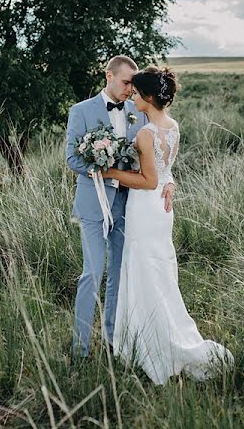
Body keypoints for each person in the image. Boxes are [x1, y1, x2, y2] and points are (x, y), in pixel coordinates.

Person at [101, 66, 234, 384]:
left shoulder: (146, 135)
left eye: (135, 93)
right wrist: (170, 182)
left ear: (147, 97)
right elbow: (165, 171)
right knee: (158, 269)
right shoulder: (172, 126)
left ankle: (153, 343)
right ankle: (143, 335)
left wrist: (111, 173)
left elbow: (147, 180)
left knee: (146, 269)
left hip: (147, 207)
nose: (131, 97)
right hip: (162, 209)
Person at [64, 56, 176, 358]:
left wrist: (170, 180)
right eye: (127, 82)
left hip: (129, 206)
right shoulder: (81, 111)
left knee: (118, 273)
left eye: (134, 84)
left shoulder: (138, 113)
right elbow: (73, 158)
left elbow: (154, 155)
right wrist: (101, 164)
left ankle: (113, 342)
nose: (131, 88)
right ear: (109, 76)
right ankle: (81, 348)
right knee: (92, 272)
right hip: (92, 205)